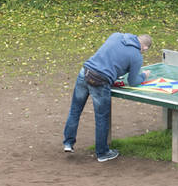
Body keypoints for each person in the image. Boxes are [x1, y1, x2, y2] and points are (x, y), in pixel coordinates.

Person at [63, 32, 152, 162]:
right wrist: (144, 76)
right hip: (100, 81)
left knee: (75, 110)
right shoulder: (137, 56)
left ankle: (68, 143)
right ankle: (102, 153)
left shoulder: (116, 35)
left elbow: (109, 56)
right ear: (145, 48)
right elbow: (133, 81)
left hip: (85, 72)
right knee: (101, 117)